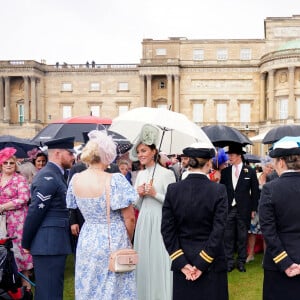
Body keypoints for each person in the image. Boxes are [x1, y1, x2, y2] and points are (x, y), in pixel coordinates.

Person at [66, 130, 137, 300]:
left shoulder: (76, 179)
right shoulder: (115, 180)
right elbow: (130, 218)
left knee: (88, 284)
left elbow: (72, 206)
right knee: (114, 287)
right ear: (107, 155)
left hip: (87, 237)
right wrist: (127, 238)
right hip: (113, 236)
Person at [161, 143, 228, 300]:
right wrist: (201, 263)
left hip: (183, 259)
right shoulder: (218, 190)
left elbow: (167, 230)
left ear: (189, 162)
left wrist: (182, 262)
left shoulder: (173, 189)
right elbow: (218, 230)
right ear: (209, 163)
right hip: (211, 261)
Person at [22, 137, 76, 300]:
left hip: (53, 243)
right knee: (49, 292)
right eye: (70, 153)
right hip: (48, 243)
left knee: (52, 291)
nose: (73, 157)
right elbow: (35, 212)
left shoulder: (56, 174)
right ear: (58, 153)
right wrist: (26, 241)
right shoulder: (49, 177)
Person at [131, 124, 176, 300]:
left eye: (144, 151)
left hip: (160, 220)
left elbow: (172, 203)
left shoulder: (167, 174)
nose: (141, 154)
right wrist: (140, 194)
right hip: (144, 221)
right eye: (139, 151)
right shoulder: (140, 175)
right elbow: (135, 204)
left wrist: (155, 194)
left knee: (159, 258)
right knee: (144, 260)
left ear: (153, 151)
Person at [259, 137, 300, 300]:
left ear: (281, 162)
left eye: (275, 161)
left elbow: (268, 230)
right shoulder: (271, 188)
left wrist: (285, 262)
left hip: (278, 264)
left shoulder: (270, 189)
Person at [220, 143, 259, 272]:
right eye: (229, 155)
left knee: (242, 237)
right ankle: (229, 262)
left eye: (231, 155)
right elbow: (222, 191)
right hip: (229, 209)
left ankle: (241, 262)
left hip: (244, 209)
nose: (229, 157)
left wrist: (253, 209)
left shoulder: (250, 171)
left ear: (238, 156)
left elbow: (255, 192)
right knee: (228, 236)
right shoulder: (225, 172)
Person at [0, 147, 33, 291]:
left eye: (11, 163)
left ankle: (25, 286)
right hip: (2, 220)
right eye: (5, 162)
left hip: (17, 220)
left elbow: (24, 198)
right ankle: (7, 283)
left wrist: (4, 206)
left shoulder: (19, 179)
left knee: (19, 250)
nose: (8, 165)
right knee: (3, 249)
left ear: (15, 165)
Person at [246, 156, 273, 263]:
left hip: (268, 209)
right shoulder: (256, 176)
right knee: (252, 232)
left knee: (266, 232)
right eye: (268, 167)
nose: (270, 169)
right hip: (255, 208)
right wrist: (251, 209)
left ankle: (265, 257)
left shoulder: (274, 178)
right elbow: (251, 194)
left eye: (272, 167)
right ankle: (251, 254)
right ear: (263, 166)